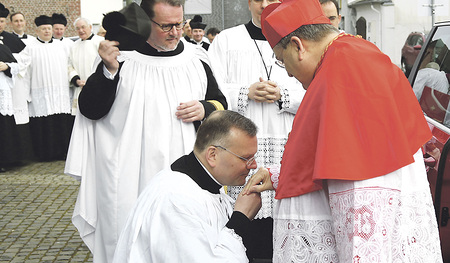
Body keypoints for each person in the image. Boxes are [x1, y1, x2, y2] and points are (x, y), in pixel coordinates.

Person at [243, 0, 443, 262]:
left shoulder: (345, 73)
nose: (289, 75)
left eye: (282, 61)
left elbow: (361, 200)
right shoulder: (351, 54)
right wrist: (280, 176)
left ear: (298, 46)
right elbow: (335, 152)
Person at [64, 2, 227, 263]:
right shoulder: (119, 58)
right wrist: (108, 70)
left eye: (179, 24)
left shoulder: (196, 59)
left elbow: (221, 104)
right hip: (129, 177)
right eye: (166, 26)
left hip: (183, 176)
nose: (175, 32)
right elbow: (91, 110)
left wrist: (204, 107)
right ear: (145, 21)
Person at [208, 0, 305, 261]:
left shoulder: (299, 41)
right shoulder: (227, 40)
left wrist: (284, 95)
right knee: (247, 227)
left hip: (286, 141)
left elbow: (317, 93)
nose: (264, 4)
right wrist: (244, 91)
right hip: (243, 145)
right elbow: (210, 91)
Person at [113, 110, 263, 262]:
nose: (254, 165)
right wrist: (241, 218)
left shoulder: (201, 187)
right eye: (246, 158)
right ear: (212, 155)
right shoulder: (176, 200)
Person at [19, 15, 73, 162]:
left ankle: (63, 152)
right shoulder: (29, 48)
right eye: (43, 29)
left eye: (49, 29)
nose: (47, 31)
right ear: (37, 31)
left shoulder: (62, 47)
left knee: (61, 122)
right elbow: (23, 71)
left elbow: (70, 65)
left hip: (60, 92)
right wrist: (25, 93)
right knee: (44, 125)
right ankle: (44, 154)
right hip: (39, 92)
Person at [68, 17, 104, 115]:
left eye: (83, 27)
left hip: (97, 87)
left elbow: (105, 64)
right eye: (78, 28)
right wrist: (77, 80)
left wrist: (93, 81)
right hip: (80, 87)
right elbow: (70, 66)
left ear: (90, 27)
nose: (81, 30)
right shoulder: (74, 46)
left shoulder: (100, 42)